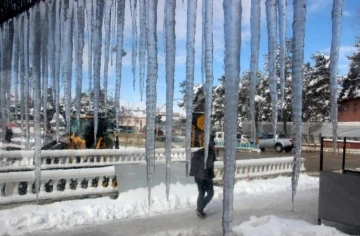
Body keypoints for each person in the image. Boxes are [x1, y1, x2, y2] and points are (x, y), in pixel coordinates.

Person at [190, 135, 217, 219]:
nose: (214, 146)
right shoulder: (209, 153)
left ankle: (200, 208)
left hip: (198, 176)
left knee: (201, 193)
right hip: (205, 176)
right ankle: (200, 208)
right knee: (210, 193)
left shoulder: (200, 151)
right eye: (213, 144)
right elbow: (209, 164)